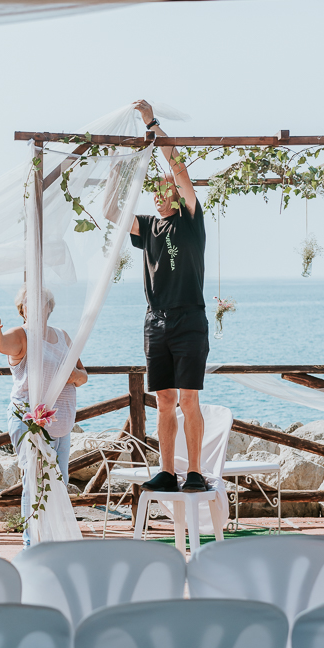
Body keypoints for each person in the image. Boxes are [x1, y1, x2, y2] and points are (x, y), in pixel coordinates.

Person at [130, 98, 209, 494]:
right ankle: (167, 471)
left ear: (177, 194)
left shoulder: (191, 220)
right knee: (163, 399)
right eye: (155, 190)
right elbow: (113, 212)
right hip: (156, 320)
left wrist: (152, 125)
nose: (161, 194)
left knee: (189, 397)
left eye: (167, 189)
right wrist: (123, 164)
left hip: (190, 318)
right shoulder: (146, 226)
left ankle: (194, 471)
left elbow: (177, 167)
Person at [0, 285, 87, 545]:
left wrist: (73, 376)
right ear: (23, 309)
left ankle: (52, 540)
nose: (37, 305)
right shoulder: (22, 335)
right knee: (35, 482)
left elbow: (83, 375)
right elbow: (1, 344)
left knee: (58, 485)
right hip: (29, 420)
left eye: (43, 301)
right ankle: (33, 544)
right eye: (30, 301)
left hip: (61, 423)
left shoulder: (63, 336)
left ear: (50, 307)